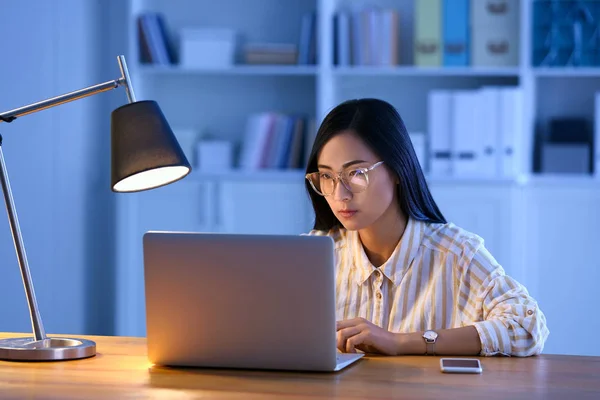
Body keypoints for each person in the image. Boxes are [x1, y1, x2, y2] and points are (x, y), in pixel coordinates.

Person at [304, 98, 549, 357]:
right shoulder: (310, 256)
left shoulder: (456, 253)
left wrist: (400, 342)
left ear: (398, 169)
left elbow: (527, 327)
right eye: (327, 176)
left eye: (356, 173)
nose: (339, 194)